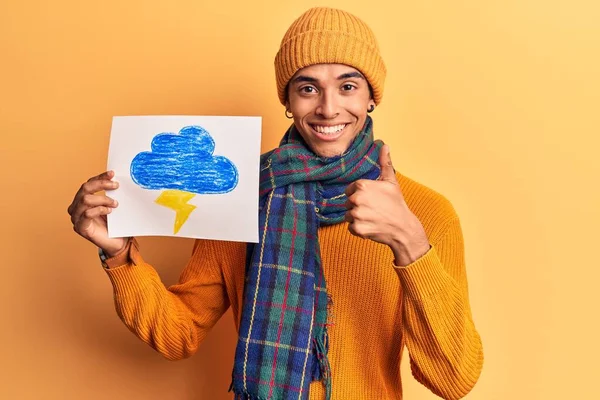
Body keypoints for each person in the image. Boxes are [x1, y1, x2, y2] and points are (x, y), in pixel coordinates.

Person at [67, 7, 483, 400]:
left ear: (371, 97)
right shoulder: (241, 198)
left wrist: (409, 243)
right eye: (307, 88)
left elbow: (454, 379)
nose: (328, 107)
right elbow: (179, 335)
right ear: (287, 102)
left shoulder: (426, 213)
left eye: (348, 86)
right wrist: (118, 253)